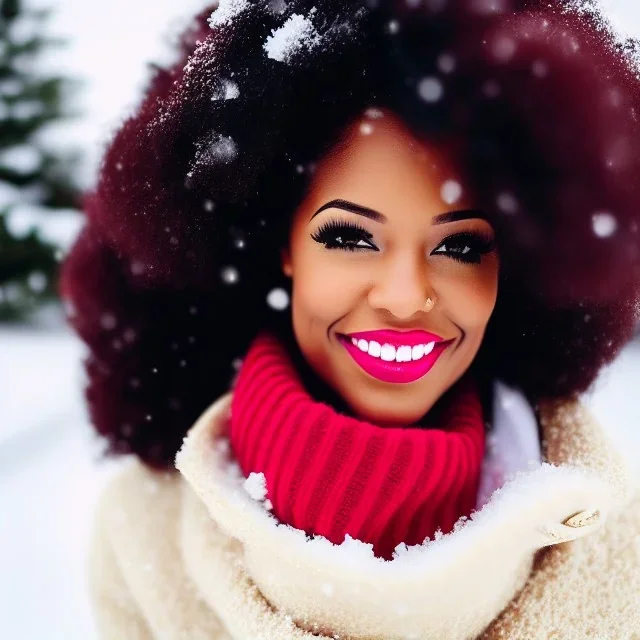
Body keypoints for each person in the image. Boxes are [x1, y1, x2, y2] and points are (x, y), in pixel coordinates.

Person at [61, 1, 640, 638]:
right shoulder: (143, 537)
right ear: (280, 243)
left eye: (461, 247)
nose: (403, 295)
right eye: (349, 237)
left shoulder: (625, 550)